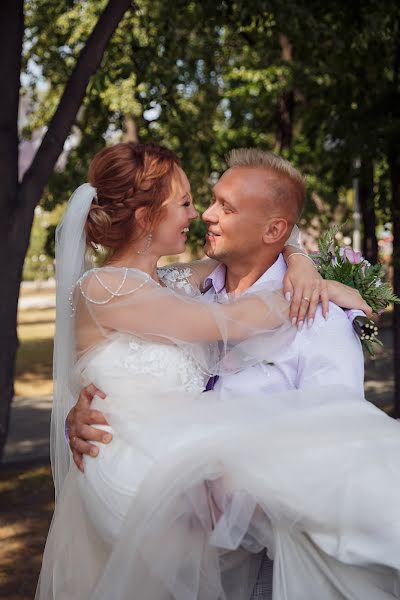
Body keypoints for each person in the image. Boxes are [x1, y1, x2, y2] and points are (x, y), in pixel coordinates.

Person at [37, 143, 400, 600]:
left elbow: (267, 240)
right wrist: (320, 288)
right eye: (187, 202)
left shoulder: (173, 282)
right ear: (148, 217)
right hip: (138, 472)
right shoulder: (105, 288)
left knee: (329, 467)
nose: (200, 214)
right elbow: (220, 322)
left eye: (213, 204)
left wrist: (302, 261)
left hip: (181, 465)